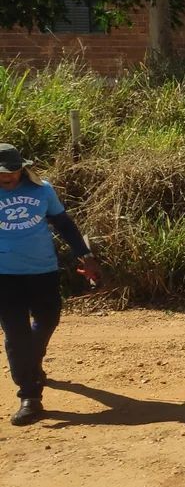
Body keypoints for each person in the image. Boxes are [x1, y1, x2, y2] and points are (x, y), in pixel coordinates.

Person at [0, 143, 100, 425]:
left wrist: (86, 256)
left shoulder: (42, 189)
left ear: (22, 169)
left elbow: (64, 223)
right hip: (4, 275)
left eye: (11, 172)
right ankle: (30, 395)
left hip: (42, 270)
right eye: (1, 174)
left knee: (47, 320)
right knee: (15, 334)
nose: (6, 178)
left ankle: (32, 359)